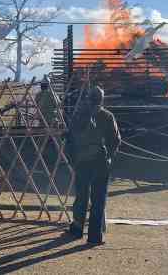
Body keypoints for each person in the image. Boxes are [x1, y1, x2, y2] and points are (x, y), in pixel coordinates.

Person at [65, 86, 121, 245]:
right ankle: (95, 236)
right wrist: (108, 156)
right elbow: (116, 140)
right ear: (102, 99)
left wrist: (72, 159)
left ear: (88, 98)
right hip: (100, 163)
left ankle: (76, 228)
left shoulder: (78, 115)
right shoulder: (107, 116)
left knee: (81, 196)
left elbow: (70, 139)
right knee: (98, 199)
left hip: (82, 162)